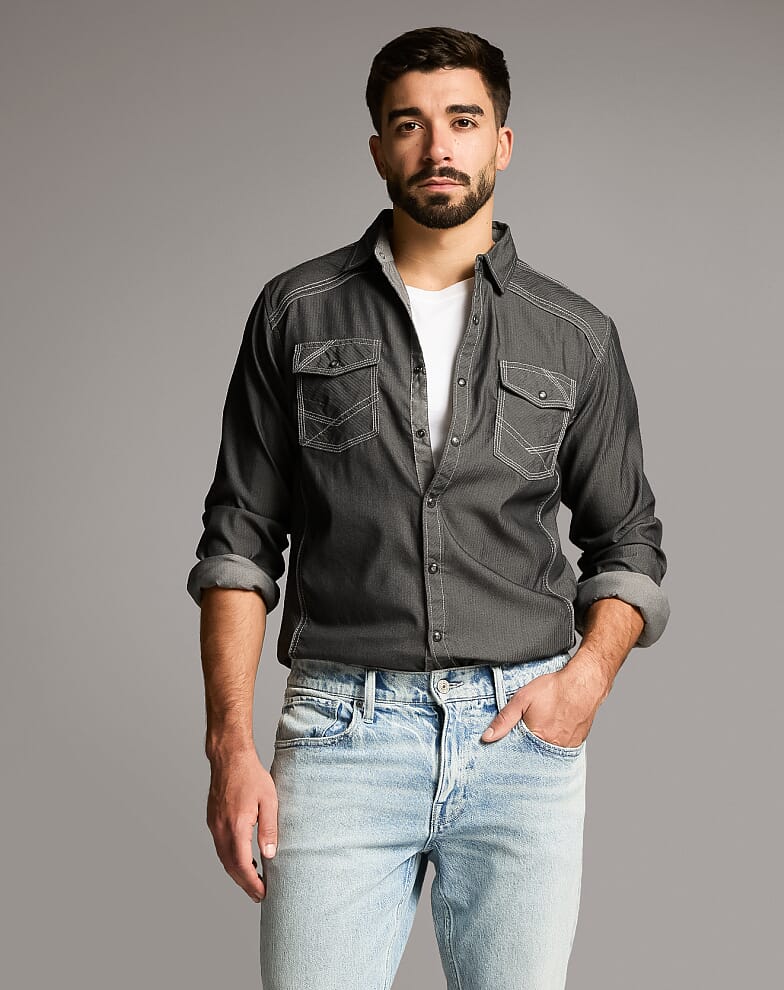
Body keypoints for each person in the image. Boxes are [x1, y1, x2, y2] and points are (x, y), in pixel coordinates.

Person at [187, 25, 669, 990]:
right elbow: (240, 538)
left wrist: (584, 683)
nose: (437, 146)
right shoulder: (296, 310)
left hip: (519, 741)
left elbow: (627, 543)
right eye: (408, 124)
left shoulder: (574, 334)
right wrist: (228, 746)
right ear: (378, 148)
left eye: (462, 120)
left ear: (502, 141)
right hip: (340, 734)